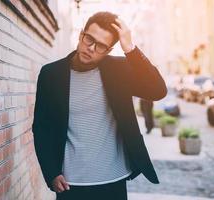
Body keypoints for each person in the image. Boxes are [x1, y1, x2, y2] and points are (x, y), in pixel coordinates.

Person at [32, 11, 167, 200]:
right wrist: (51, 172)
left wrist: (130, 49)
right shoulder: (51, 74)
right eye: (89, 39)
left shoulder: (119, 70)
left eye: (101, 46)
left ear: (109, 50)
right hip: (70, 183)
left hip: (114, 179)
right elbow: (41, 128)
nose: (91, 48)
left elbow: (157, 90)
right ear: (81, 35)